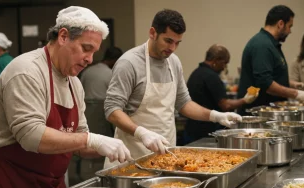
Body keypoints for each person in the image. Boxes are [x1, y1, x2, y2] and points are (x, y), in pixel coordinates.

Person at [0, 6, 131, 188]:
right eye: (86, 48)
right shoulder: (27, 71)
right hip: (9, 178)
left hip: (48, 182)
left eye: (94, 52)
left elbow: (79, 140)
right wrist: (93, 139)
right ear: (63, 36)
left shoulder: (74, 83)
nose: (90, 59)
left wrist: (111, 147)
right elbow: (31, 136)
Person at [103, 9, 242, 168]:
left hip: (165, 156)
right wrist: (142, 133)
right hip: (132, 157)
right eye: (168, 41)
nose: (173, 48)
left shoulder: (173, 62)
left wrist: (215, 116)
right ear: (152, 33)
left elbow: (184, 104)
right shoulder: (129, 63)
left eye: (177, 43)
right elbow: (112, 110)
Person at [237, 5, 304, 115]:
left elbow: (271, 75)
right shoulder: (262, 45)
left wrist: (291, 84)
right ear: (280, 24)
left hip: (266, 113)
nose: (290, 31)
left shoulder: (270, 44)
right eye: (290, 26)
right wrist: (296, 94)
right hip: (258, 116)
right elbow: (265, 83)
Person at [185, 44, 258, 142]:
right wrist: (245, 100)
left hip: (192, 128)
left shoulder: (197, 72)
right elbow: (226, 105)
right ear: (216, 60)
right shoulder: (211, 76)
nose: (224, 67)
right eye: (224, 63)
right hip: (206, 132)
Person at [78, 46, 123, 180]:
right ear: (114, 60)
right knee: (101, 144)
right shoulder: (109, 74)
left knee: (86, 143)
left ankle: (83, 173)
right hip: (100, 111)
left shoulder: (88, 71)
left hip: (85, 110)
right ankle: (99, 175)